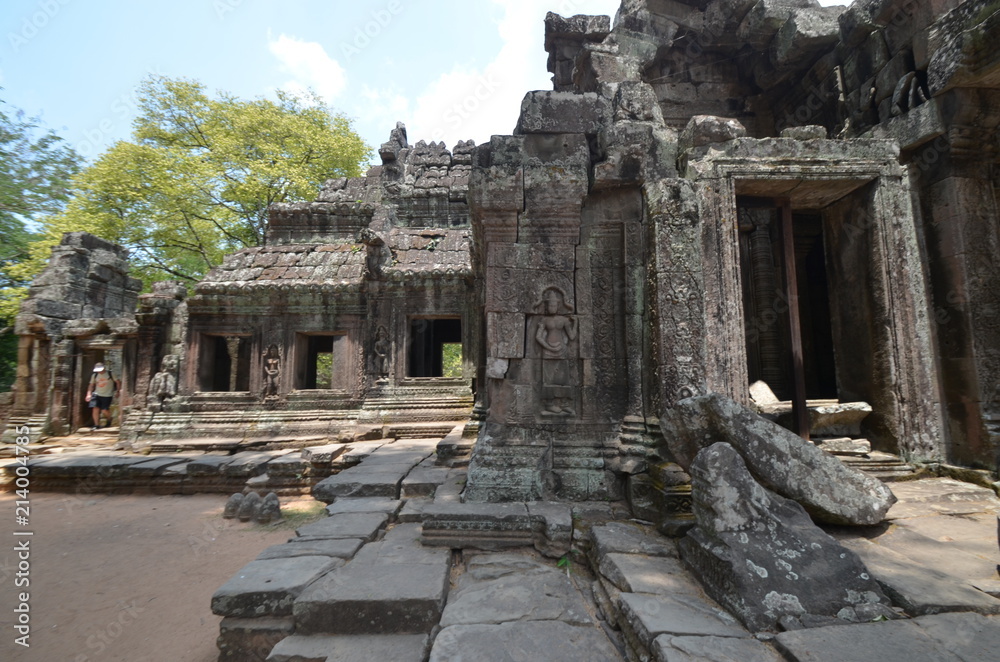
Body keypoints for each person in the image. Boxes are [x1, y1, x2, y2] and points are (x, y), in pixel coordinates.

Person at [86, 362, 120, 431]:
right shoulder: (95, 375)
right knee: (95, 408)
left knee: (104, 410)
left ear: (104, 368)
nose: (99, 371)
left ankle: (109, 418)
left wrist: (118, 391)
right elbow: (91, 385)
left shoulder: (110, 374)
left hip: (107, 394)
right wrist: (89, 394)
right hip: (96, 394)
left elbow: (118, 382)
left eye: (100, 370)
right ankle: (96, 424)